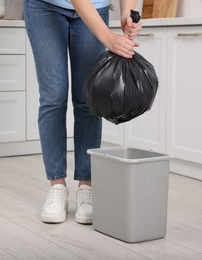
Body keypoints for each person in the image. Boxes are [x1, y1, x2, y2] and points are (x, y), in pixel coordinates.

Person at [24, 0, 142, 224]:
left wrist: (128, 15)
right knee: (53, 97)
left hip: (95, 7)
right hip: (45, 7)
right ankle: (57, 185)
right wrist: (108, 37)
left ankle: (85, 186)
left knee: (88, 98)